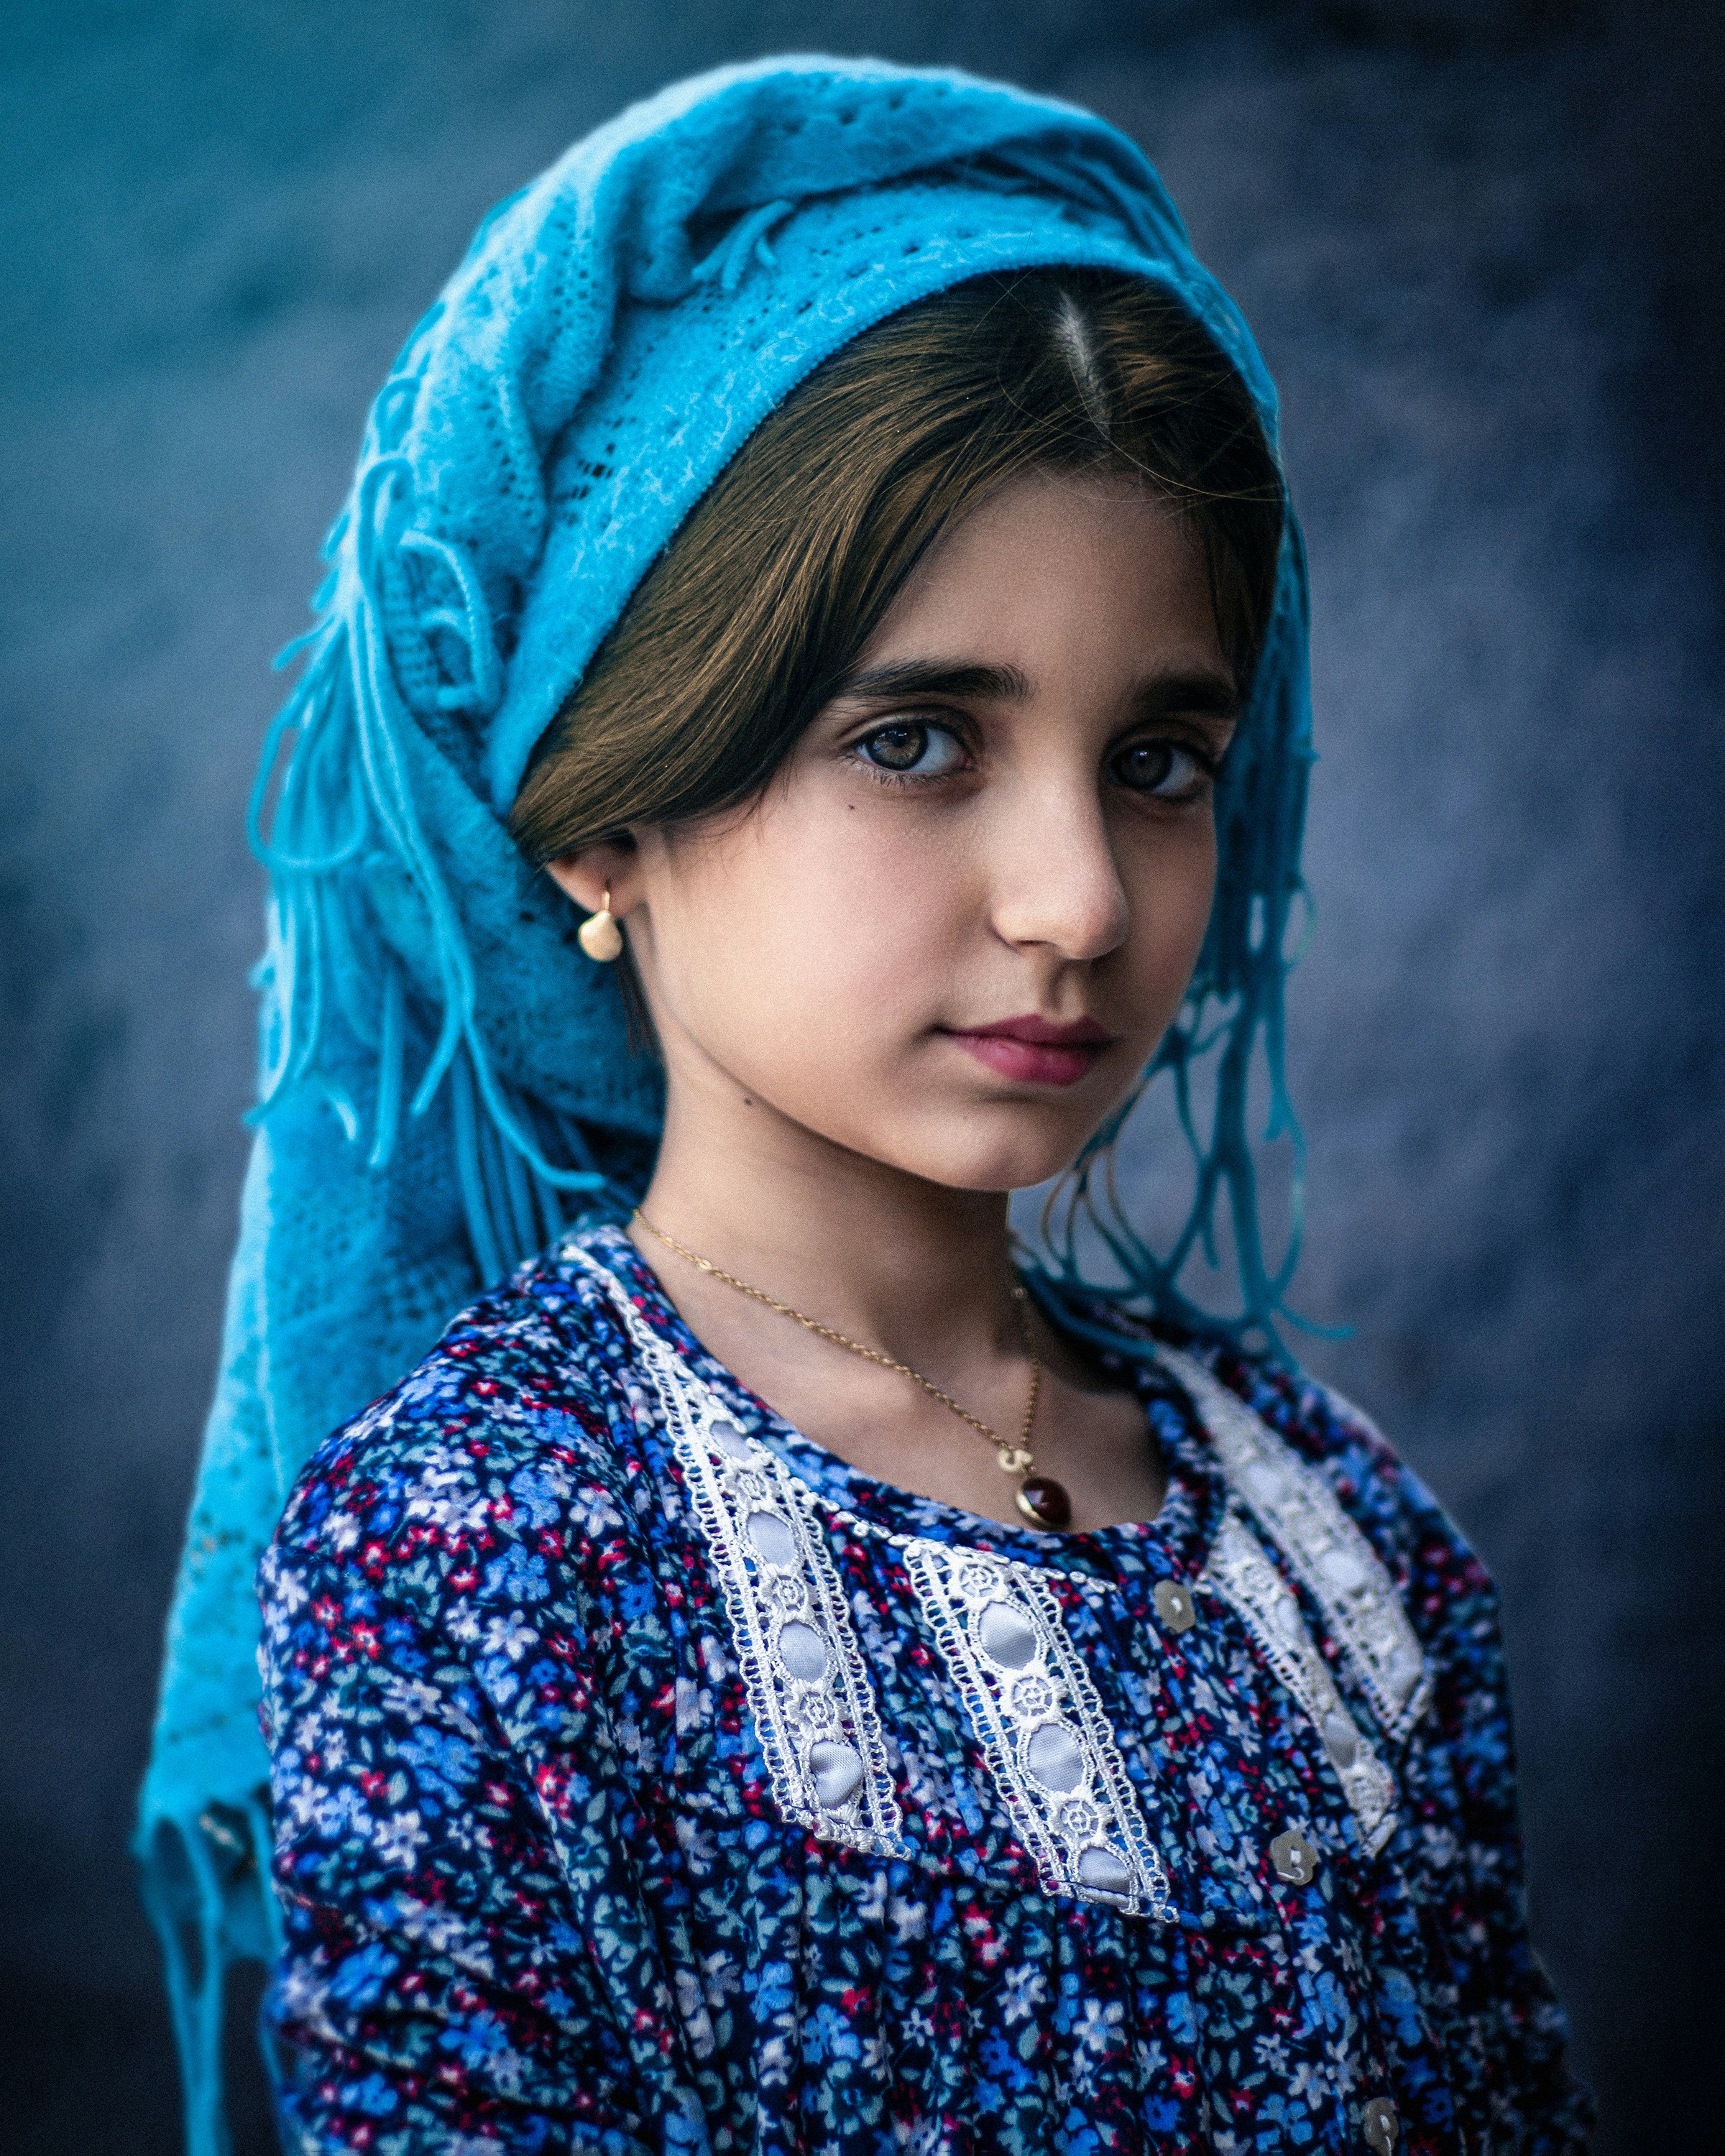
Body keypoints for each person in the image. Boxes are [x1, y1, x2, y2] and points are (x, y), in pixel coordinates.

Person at [139, 54, 1593, 2156]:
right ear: (601, 820)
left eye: (1161, 760)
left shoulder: (1345, 1544)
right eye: (916, 742)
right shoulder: (486, 1556)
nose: (1079, 899)